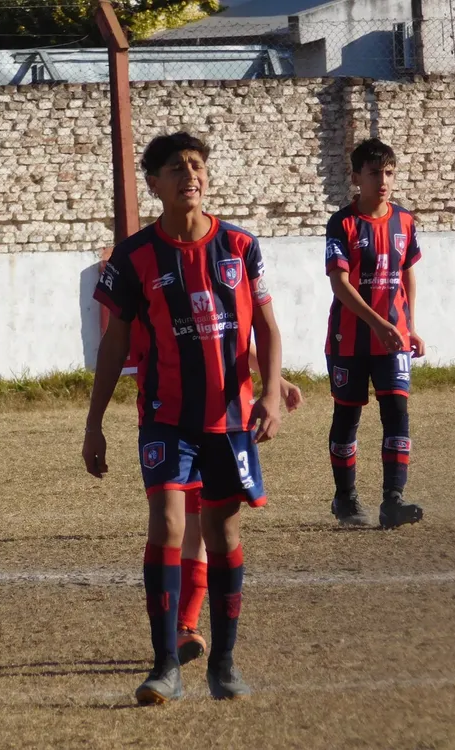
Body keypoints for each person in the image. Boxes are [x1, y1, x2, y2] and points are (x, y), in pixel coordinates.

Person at [83, 131, 284, 704]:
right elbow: (114, 345)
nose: (190, 175)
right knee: (169, 526)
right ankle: (165, 664)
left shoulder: (242, 247)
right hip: (165, 417)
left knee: (222, 532)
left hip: (229, 418)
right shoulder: (133, 256)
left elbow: (266, 328)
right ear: (154, 184)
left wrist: (270, 393)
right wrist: (94, 423)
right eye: (176, 167)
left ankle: (223, 664)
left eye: (197, 165)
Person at [123, 324, 303, 665]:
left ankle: (184, 627)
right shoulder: (149, 281)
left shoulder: (211, 284)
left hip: (219, 421)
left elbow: (228, 340)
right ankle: (177, 630)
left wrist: (274, 381)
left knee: (202, 527)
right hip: (171, 420)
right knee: (179, 524)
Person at [324, 137, 426, 529]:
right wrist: (378, 324)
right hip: (349, 340)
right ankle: (346, 499)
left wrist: (409, 326)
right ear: (356, 177)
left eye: (388, 173)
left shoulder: (404, 221)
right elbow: (339, 284)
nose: (382, 181)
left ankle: (392, 501)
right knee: (347, 417)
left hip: (393, 339)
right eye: (373, 173)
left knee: (397, 412)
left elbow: (407, 275)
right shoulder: (343, 223)